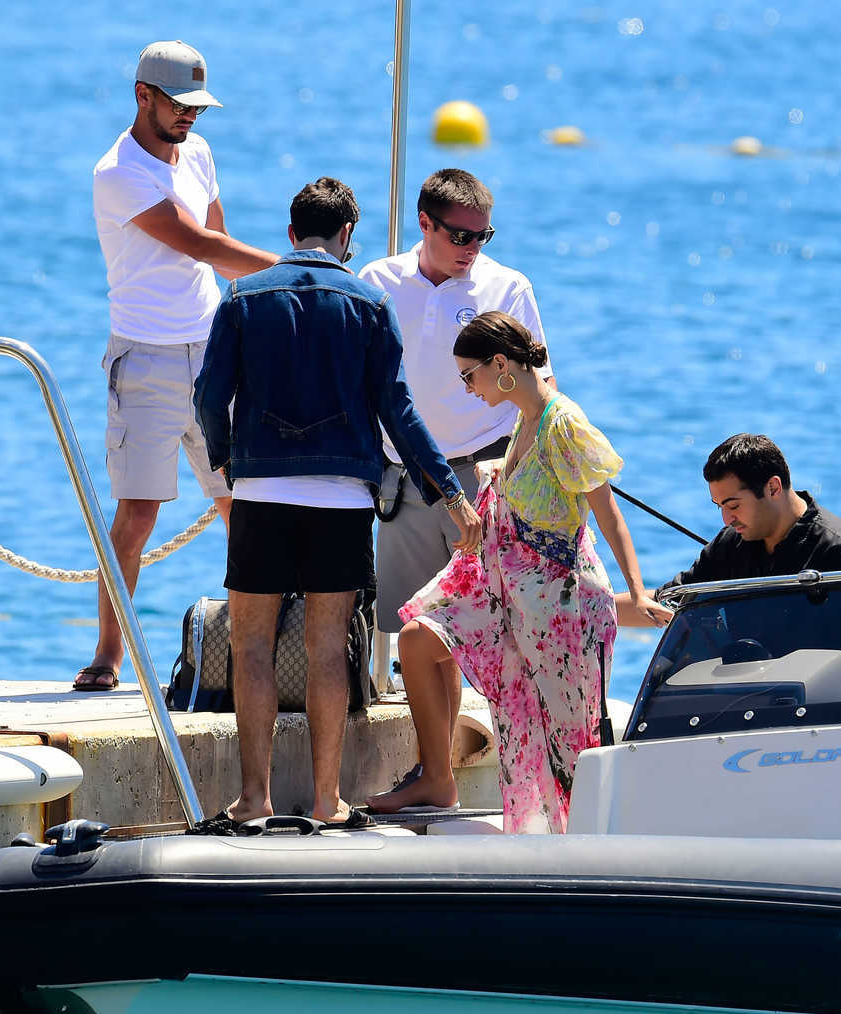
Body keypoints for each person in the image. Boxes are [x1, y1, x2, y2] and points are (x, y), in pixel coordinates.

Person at [193, 178, 479, 826]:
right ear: (347, 236)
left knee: (253, 647)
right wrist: (452, 495)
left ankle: (255, 799)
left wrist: (225, 460)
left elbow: (210, 396)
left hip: (263, 491)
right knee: (328, 650)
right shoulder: (371, 302)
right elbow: (398, 412)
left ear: (292, 233)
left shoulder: (241, 295)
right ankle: (327, 800)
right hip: (345, 501)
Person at [367, 312, 664, 833]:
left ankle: (585, 854)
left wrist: (636, 591)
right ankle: (439, 781)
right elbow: (536, 485)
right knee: (418, 638)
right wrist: (498, 473)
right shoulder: (523, 421)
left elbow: (607, 513)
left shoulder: (564, 422)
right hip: (508, 595)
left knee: (570, 746)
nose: (467, 388)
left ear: (500, 365)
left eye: (469, 376)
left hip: (561, 611)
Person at [74, 40, 279, 692]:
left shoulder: (199, 154)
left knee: (241, 506)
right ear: (144, 96)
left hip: (213, 352)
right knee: (136, 517)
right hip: (147, 359)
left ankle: (265, 648)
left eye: (199, 105)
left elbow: (220, 259)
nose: (191, 117)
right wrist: (299, 273)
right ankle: (109, 655)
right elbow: (198, 242)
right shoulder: (117, 172)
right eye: (180, 104)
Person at [358, 168, 554, 641]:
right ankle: (435, 719)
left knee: (495, 631)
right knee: (416, 633)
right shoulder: (377, 280)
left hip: (487, 473)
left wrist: (513, 479)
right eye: (462, 235)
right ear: (424, 222)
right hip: (405, 481)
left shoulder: (508, 288)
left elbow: (543, 390)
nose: (473, 248)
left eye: (483, 235)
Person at [616, 433, 841, 624]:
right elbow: (667, 603)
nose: (726, 519)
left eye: (733, 505)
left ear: (773, 488)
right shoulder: (731, 543)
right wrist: (587, 610)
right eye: (718, 506)